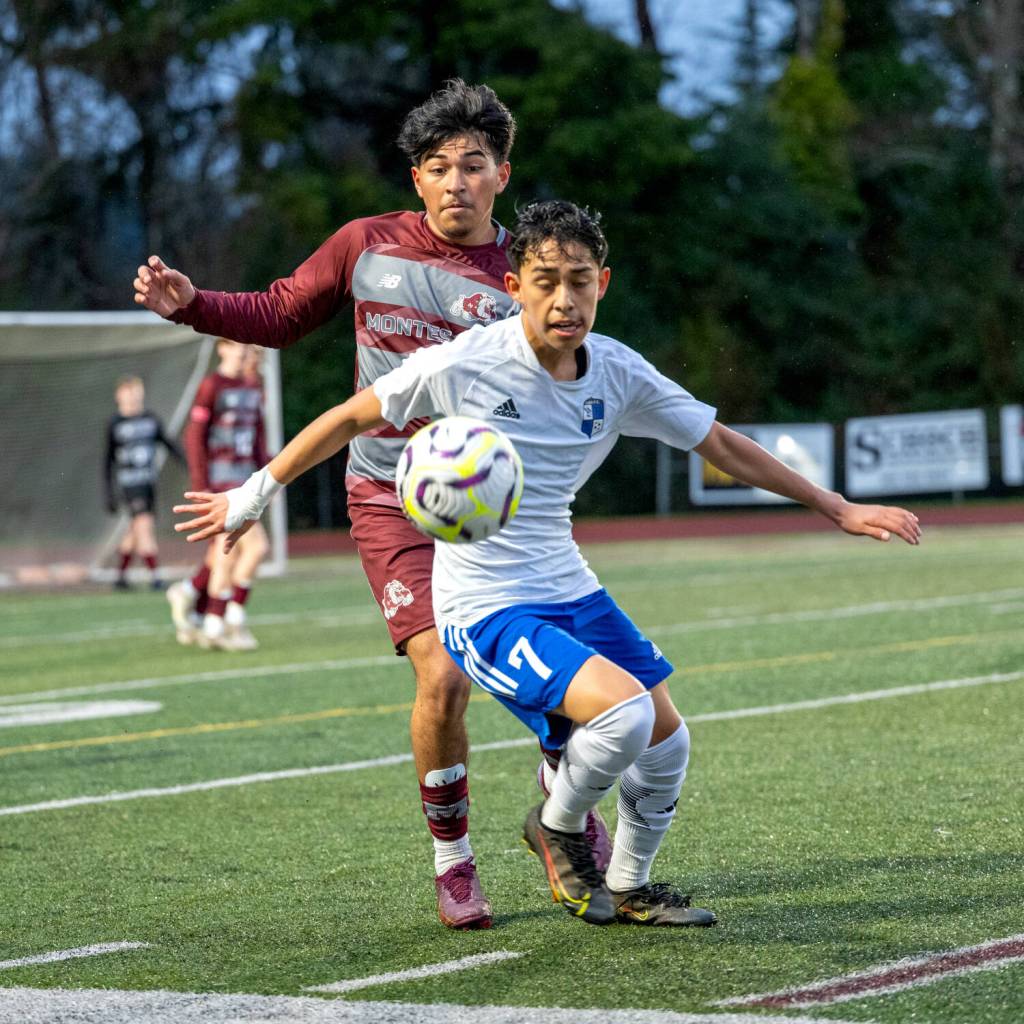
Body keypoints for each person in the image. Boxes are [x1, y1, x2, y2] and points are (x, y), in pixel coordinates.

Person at [173, 200, 922, 927]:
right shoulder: (466, 363)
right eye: (546, 280)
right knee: (623, 715)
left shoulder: (619, 373)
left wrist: (836, 506)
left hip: (569, 585)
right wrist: (255, 492)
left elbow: (720, 443)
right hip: (484, 604)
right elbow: (348, 417)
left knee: (667, 741)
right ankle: (556, 824)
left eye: (581, 280)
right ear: (513, 287)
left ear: (605, 284)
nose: (565, 298)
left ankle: (628, 885)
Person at [134, 79, 582, 930]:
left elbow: (567, 377)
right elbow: (277, 311)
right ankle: (453, 856)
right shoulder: (365, 244)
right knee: (444, 675)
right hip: (389, 496)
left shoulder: (529, 274)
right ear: (416, 178)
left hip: (507, 510)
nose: (457, 181)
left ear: (503, 175)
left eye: (474, 165)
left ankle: (563, 804)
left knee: (561, 684)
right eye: (439, 167)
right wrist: (194, 307)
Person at [166, 340, 270, 651]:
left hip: (245, 485)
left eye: (247, 348)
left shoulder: (252, 388)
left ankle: (194, 601)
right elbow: (194, 437)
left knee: (225, 553)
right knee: (246, 548)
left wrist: (267, 480)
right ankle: (224, 620)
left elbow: (257, 441)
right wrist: (202, 485)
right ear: (222, 348)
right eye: (238, 345)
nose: (244, 352)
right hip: (221, 486)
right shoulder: (212, 386)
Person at [103, 375, 184, 590]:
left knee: (134, 530)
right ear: (118, 396)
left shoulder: (150, 419)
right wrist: (108, 492)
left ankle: (120, 577)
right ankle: (155, 576)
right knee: (144, 525)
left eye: (135, 392)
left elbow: (168, 443)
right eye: (127, 392)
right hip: (129, 485)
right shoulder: (115, 424)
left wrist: (189, 463)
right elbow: (107, 460)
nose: (132, 397)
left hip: (148, 484)